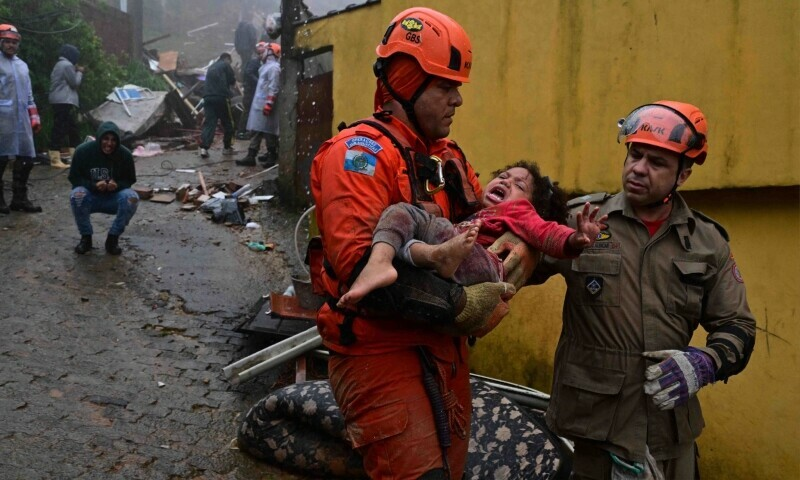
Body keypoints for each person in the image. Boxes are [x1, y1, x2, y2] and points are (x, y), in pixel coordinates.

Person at [310, 8, 537, 479]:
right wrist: (462, 304)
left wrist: (526, 250)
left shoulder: (446, 159)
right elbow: (359, 273)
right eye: (445, 87)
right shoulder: (359, 156)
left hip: (445, 356)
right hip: (380, 356)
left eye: (458, 88)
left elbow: (483, 233)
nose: (457, 101)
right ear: (404, 82)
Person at [531, 101, 757, 479]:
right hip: (596, 434)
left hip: (671, 435)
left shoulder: (707, 242)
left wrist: (706, 364)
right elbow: (511, 268)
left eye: (657, 163)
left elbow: (739, 327)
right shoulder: (583, 219)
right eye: (635, 155)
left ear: (682, 175)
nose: (638, 168)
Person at [337, 160, 607, 308]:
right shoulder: (475, 215)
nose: (505, 181)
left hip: (483, 266)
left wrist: (575, 240)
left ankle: (433, 255)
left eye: (519, 184)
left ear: (531, 205)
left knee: (432, 227)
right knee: (403, 216)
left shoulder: (519, 210)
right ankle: (385, 262)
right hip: (450, 260)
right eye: (502, 175)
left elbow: (547, 233)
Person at [69, 121, 139, 255]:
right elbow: (74, 178)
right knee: (77, 195)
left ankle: (113, 238)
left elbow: (130, 179)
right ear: (99, 138)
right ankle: (86, 238)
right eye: (105, 139)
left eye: (113, 140)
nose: (109, 143)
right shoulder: (82, 151)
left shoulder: (125, 155)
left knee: (132, 198)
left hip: (113, 198)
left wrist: (117, 185)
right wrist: (93, 185)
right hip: (90, 197)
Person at [0, 24, 43, 214]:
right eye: (7, 42)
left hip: (21, 118)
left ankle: (19, 198)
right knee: (0, 158)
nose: (11, 45)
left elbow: (29, 95)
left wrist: (34, 117)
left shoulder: (22, 65)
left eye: (14, 42)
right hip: (2, 118)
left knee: (26, 157)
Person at [236, 42, 280, 168]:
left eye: (262, 52)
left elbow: (274, 87)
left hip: (266, 105)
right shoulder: (265, 67)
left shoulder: (274, 68)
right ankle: (251, 156)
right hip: (260, 104)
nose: (260, 54)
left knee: (268, 132)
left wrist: (269, 103)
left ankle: (271, 156)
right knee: (257, 130)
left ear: (270, 52)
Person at [48, 43, 84, 168]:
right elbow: (74, 83)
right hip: (63, 100)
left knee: (71, 127)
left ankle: (77, 156)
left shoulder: (60, 64)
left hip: (59, 100)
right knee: (60, 128)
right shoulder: (67, 65)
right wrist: (79, 72)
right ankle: (55, 159)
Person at [199, 52, 237, 159]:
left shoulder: (211, 67)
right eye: (230, 61)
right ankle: (227, 148)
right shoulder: (225, 64)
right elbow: (232, 80)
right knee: (228, 122)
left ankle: (204, 148)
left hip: (207, 97)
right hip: (221, 97)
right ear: (227, 59)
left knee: (210, 123)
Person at [235, 41, 264, 140]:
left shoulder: (259, 63)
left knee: (250, 111)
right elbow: (249, 73)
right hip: (250, 91)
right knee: (247, 111)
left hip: (253, 91)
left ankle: (246, 131)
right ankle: (241, 132)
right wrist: (259, 82)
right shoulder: (254, 62)